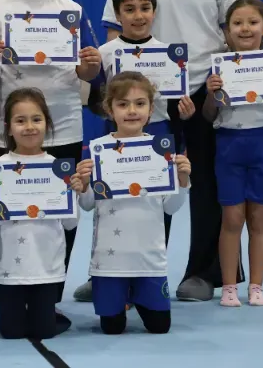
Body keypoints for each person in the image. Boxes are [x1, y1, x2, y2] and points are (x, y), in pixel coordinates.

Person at [97, 0, 242, 303]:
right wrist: (122, 94)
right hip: (144, 97)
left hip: (203, 89)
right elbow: (115, 32)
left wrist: (233, 81)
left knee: (203, 181)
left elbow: (236, 31)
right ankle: (121, 268)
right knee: (135, 182)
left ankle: (203, 272)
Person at [0, 0, 101, 302]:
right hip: (9, 133)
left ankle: (50, 295)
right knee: (11, 213)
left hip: (63, 128)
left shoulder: (71, 11)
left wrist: (91, 65)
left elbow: (88, 73)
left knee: (59, 214)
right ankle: (11, 287)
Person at [73, 72, 192, 334]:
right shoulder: (99, 149)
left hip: (149, 259)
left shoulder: (161, 151)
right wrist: (83, 185)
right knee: (112, 328)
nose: (131, 111)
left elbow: (170, 208)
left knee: (160, 327)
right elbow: (88, 204)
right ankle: (116, 297)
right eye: (123, 104)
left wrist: (182, 181)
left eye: (140, 103)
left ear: (151, 110)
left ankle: (141, 296)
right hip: (109, 261)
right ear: (109, 109)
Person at [201, 0, 263, 307]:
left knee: (259, 218)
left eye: (252, 22)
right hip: (229, 144)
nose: (245, 28)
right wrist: (211, 94)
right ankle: (229, 287)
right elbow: (209, 116)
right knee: (231, 218)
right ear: (227, 30)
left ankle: (256, 286)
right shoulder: (220, 68)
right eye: (237, 23)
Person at [0, 88, 76, 340]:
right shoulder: (0, 168)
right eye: (20, 121)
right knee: (11, 332)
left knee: (44, 331)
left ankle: (49, 315)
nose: (29, 127)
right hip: (9, 267)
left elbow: (70, 224)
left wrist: (71, 194)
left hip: (46, 265)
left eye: (36, 119)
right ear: (9, 128)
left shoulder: (57, 168)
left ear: (47, 124)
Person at [89, 0, 195, 136]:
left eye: (145, 8)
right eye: (129, 10)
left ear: (154, 12)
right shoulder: (104, 53)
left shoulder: (170, 55)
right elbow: (95, 102)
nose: (138, 16)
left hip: (159, 130)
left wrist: (185, 114)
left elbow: (175, 106)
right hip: (117, 130)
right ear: (117, 15)